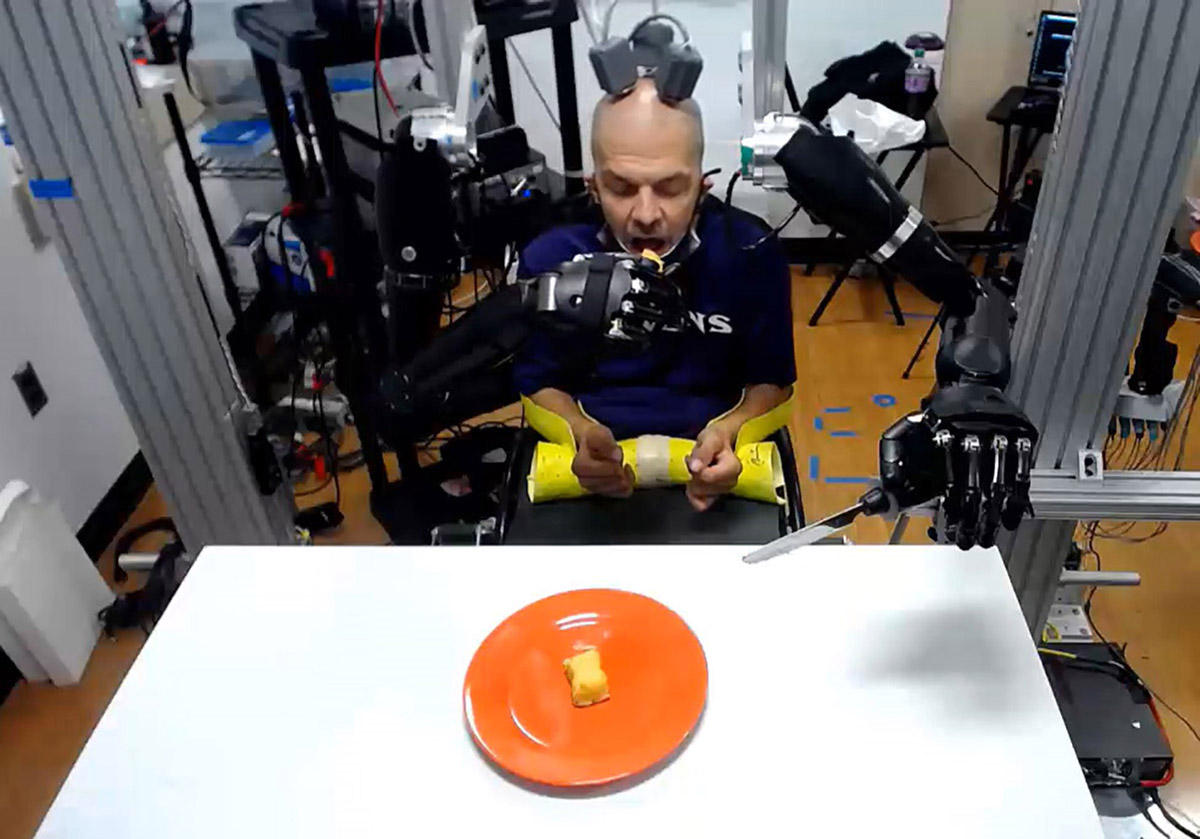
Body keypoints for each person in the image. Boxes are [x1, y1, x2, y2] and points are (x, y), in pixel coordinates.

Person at [514, 79, 795, 512]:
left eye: (670, 188)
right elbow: (537, 382)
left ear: (702, 187)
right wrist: (581, 435)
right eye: (621, 188)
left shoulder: (749, 252)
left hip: (716, 455)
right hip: (587, 458)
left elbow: (772, 382)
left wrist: (730, 431)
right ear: (593, 188)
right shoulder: (551, 257)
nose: (646, 215)